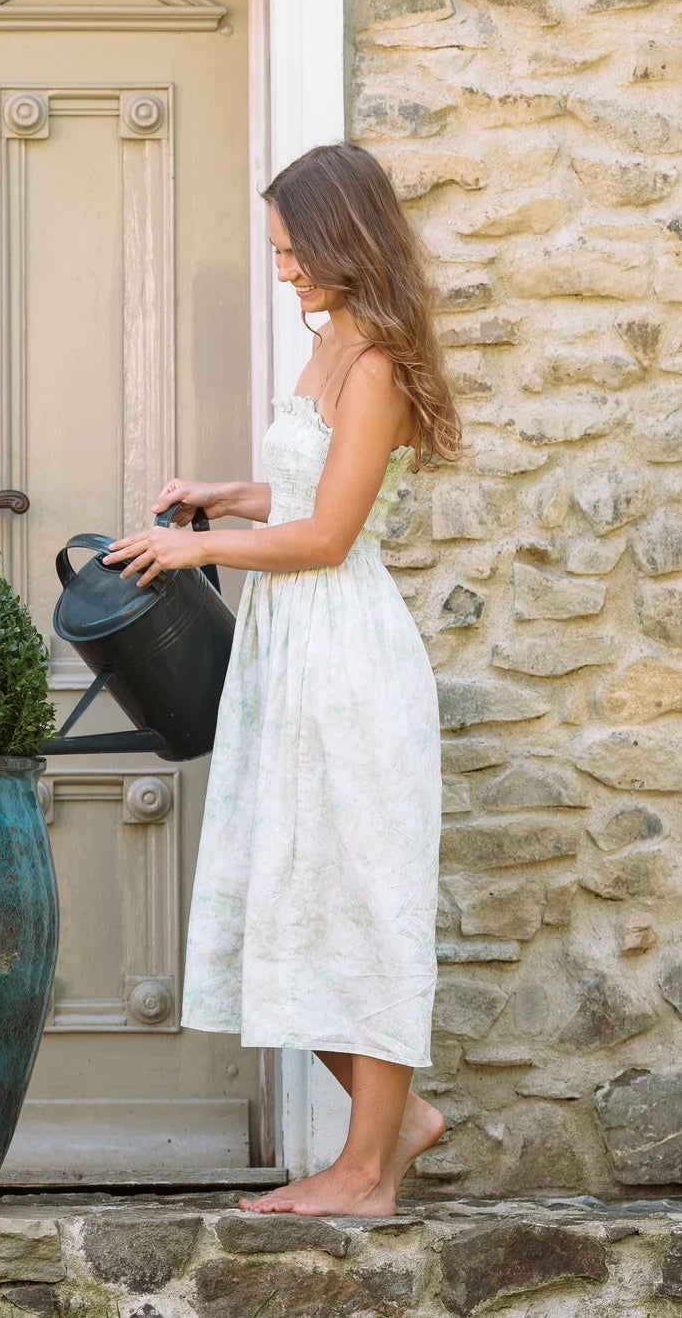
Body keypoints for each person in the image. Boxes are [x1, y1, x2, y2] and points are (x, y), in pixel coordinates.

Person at [105, 141, 465, 1217]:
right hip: (289, 656)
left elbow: (329, 535)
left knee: (352, 896)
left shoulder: (376, 364)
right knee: (285, 894)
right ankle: (393, 1124)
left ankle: (366, 1170)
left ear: (341, 238)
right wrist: (224, 496)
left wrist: (190, 551)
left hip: (345, 658)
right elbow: (306, 487)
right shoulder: (333, 345)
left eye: (291, 249)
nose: (282, 269)